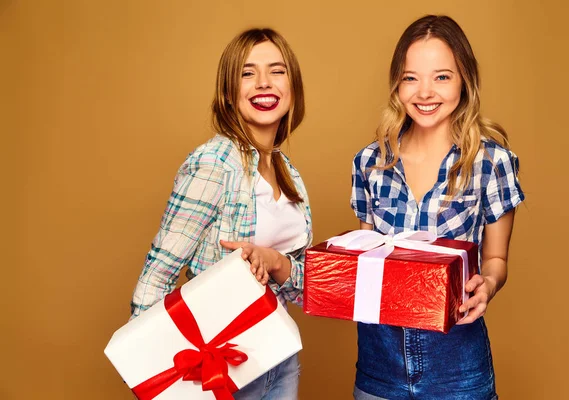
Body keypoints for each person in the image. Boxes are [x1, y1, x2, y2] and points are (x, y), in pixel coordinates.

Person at [129, 28, 312, 400]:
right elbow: (157, 274)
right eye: (247, 73)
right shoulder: (214, 163)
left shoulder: (286, 170)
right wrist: (155, 374)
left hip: (279, 358)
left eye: (277, 71)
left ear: (292, 88)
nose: (264, 83)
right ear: (229, 93)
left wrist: (275, 262)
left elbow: (303, 286)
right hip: (219, 368)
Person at [350, 15, 524, 399]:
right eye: (411, 77)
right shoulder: (370, 163)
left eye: (442, 77)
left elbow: (496, 259)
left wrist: (488, 284)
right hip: (379, 365)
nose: (425, 92)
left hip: (458, 368)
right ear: (397, 83)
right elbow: (366, 259)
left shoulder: (491, 162)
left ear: (465, 80)